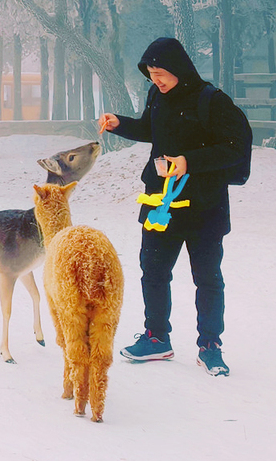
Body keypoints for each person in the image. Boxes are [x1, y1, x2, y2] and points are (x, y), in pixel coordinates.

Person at [99, 37, 252, 377]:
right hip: (161, 202)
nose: (156, 80)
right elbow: (149, 129)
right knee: (153, 271)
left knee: (207, 278)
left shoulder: (211, 100)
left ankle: (210, 346)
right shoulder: (157, 96)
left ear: (179, 69)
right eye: (151, 74)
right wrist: (120, 123)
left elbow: (234, 148)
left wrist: (189, 161)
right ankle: (156, 338)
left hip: (204, 206)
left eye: (161, 74)